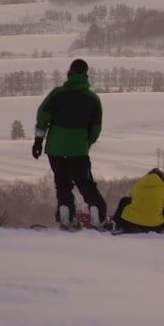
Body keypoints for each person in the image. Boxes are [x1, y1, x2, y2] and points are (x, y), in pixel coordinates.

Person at [32, 59, 109, 231]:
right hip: (78, 150)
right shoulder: (92, 99)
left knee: (62, 184)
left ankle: (66, 218)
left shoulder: (56, 94)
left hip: (55, 149)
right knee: (86, 184)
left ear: (70, 73)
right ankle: (97, 219)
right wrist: (85, 143)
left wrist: (38, 141)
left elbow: (42, 116)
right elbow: (95, 129)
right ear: (86, 75)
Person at [113, 168, 164, 234]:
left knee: (124, 200)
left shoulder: (137, 186)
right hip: (156, 226)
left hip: (132, 223)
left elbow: (131, 199)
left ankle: (115, 223)